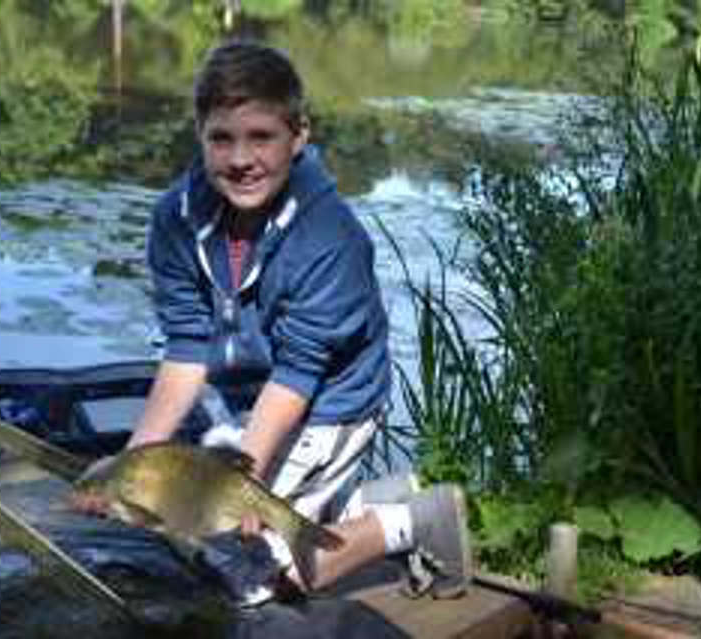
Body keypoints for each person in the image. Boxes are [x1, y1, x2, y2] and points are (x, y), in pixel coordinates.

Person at [75, 39, 471, 605]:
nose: (241, 158)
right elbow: (187, 347)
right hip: (243, 389)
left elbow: (299, 373)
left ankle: (407, 521)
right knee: (176, 528)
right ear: (199, 134)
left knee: (254, 579)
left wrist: (247, 482)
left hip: (329, 398)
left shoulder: (330, 237)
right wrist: (130, 461)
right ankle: (352, 501)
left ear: (299, 135)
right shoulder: (175, 219)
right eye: (222, 138)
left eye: (261, 136)